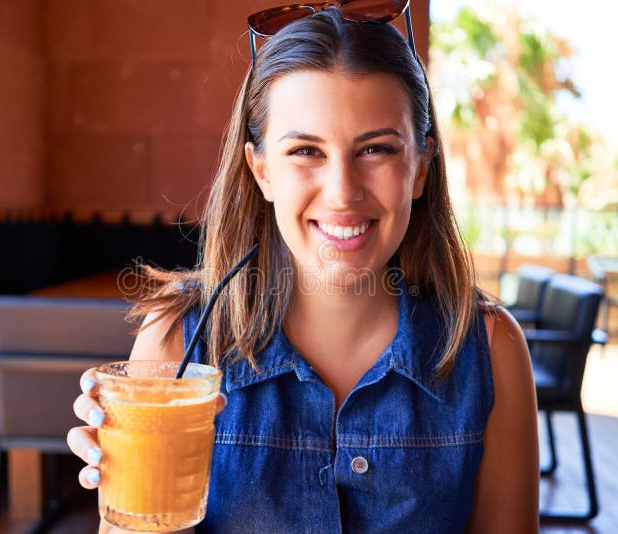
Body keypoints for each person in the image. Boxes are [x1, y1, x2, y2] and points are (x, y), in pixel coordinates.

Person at [68, 3, 539, 532]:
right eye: (306, 151)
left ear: (422, 168)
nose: (342, 190)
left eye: (377, 148)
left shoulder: (491, 350)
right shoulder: (178, 340)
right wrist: (132, 499)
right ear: (261, 171)